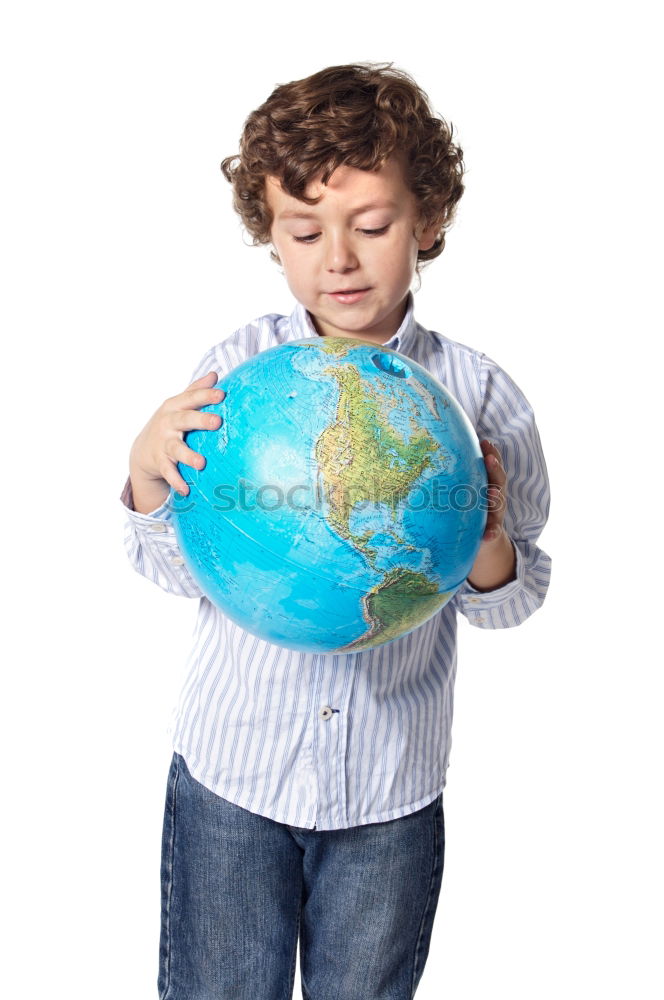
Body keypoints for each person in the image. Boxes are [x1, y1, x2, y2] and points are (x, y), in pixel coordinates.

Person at [120, 62, 551, 1000]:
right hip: (234, 775)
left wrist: (486, 550)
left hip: (389, 795)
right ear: (270, 236)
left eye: (373, 225)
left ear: (428, 221)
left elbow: (515, 598)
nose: (338, 260)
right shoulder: (232, 377)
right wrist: (147, 475)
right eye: (305, 232)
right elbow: (176, 568)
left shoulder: (477, 398)